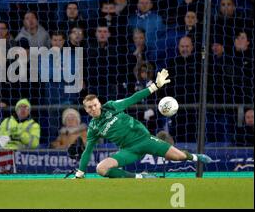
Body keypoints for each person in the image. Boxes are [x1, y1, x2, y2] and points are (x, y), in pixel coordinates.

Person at [73, 69, 212, 179]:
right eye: (89, 107)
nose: (93, 109)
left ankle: (195, 157)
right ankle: (140, 177)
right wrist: (80, 173)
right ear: (86, 110)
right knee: (101, 169)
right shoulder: (93, 128)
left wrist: (155, 86)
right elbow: (87, 151)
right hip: (129, 150)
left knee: (179, 157)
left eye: (95, 105)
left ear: (99, 104)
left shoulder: (111, 107)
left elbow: (134, 98)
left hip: (145, 140)